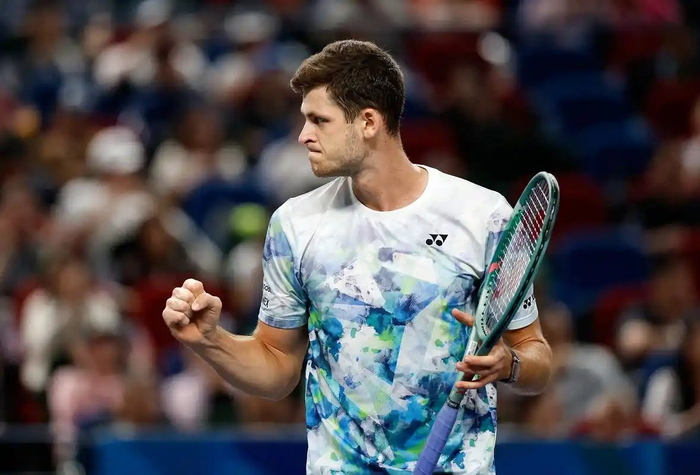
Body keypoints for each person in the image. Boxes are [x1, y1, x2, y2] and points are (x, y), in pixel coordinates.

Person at [162, 40, 552, 475]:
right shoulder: (295, 225)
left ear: (368, 122)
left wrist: (510, 364)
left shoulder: (483, 215)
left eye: (319, 120)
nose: (303, 135)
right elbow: (277, 370)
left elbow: (536, 357)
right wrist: (210, 341)